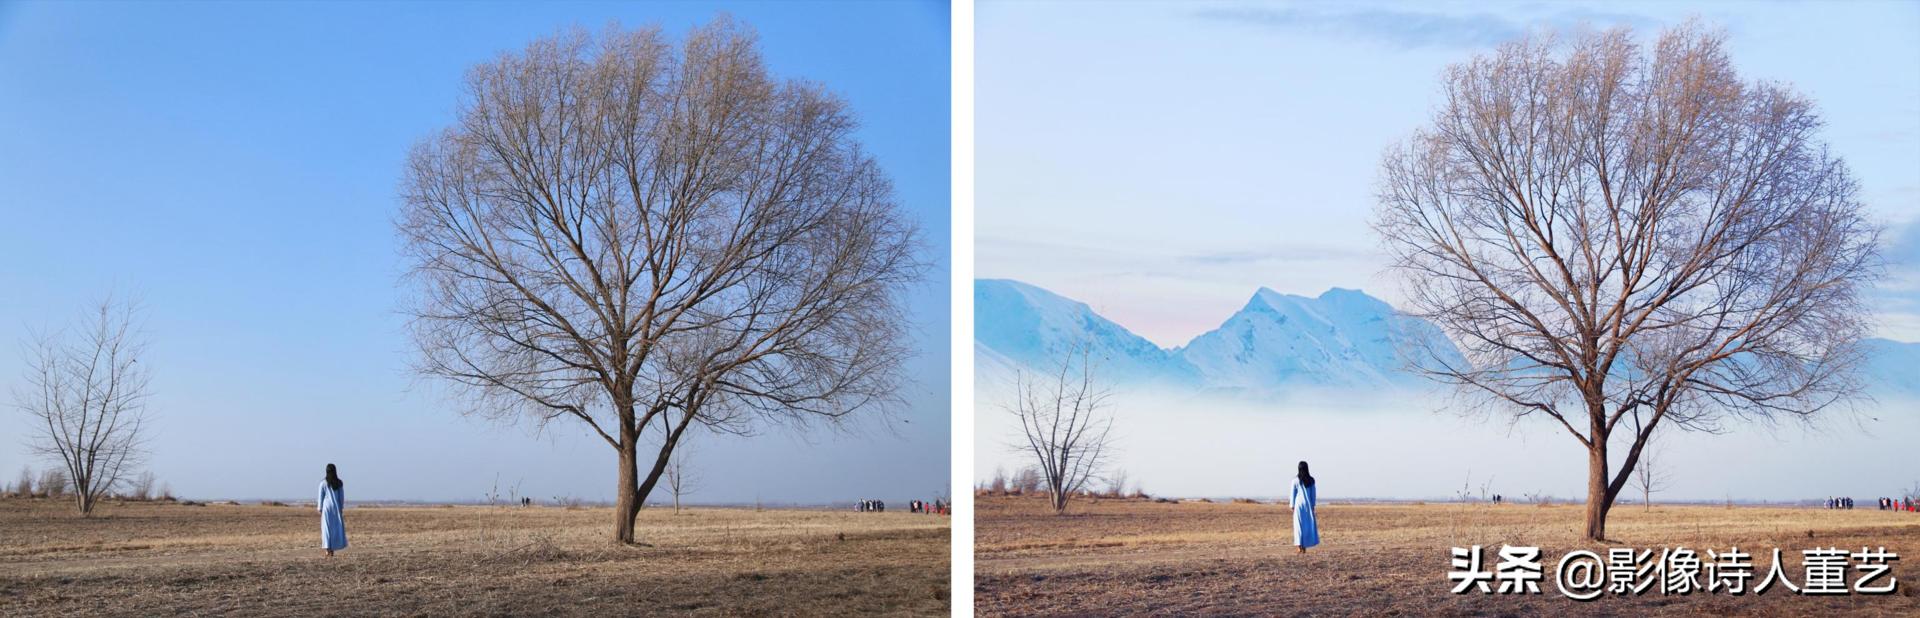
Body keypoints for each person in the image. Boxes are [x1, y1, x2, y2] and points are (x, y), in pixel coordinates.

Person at [318, 463, 348, 557]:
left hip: (326, 508)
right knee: (335, 529)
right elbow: (341, 498)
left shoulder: (323, 483)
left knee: (326, 529)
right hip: (336, 508)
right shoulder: (339, 483)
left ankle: (328, 550)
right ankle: (332, 549)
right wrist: (341, 507)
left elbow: (320, 497)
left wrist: (320, 508)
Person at [1290, 460, 1319, 554]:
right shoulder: (1311, 480)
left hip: (1298, 505)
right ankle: (1304, 546)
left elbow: (1292, 494)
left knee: (1298, 526)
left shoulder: (1295, 480)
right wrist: (1313, 505)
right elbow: (1313, 494)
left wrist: (1292, 505)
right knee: (1307, 526)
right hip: (1308, 505)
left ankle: (1299, 546)